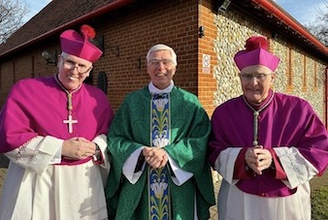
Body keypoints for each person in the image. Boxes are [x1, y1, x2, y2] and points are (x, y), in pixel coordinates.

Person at [0, 24, 114, 219]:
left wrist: (96, 147)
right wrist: (61, 148)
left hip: (83, 183)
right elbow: (9, 137)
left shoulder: (98, 98)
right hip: (38, 181)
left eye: (82, 65)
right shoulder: (26, 90)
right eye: (70, 62)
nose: (75, 70)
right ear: (60, 60)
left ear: (89, 69)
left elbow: (111, 135)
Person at [208, 35, 328, 220]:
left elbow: (319, 150)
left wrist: (275, 158)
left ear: (272, 77)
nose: (253, 82)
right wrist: (241, 157)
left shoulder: (299, 109)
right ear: (240, 77)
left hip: (287, 203)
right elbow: (213, 150)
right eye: (247, 75)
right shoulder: (224, 113)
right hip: (239, 201)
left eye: (260, 75)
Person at [106, 44, 215, 219]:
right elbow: (115, 138)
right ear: (147, 67)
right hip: (140, 182)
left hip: (178, 184)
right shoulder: (132, 101)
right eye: (154, 62)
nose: (160, 68)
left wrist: (168, 154)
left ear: (175, 67)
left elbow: (201, 140)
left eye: (166, 62)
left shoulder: (190, 102)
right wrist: (140, 153)